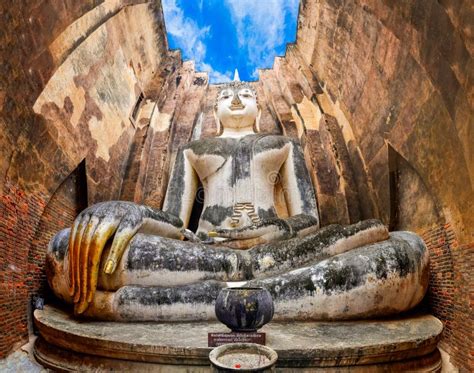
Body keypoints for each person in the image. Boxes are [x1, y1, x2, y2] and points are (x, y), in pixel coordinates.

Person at [46, 81, 429, 321]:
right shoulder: (194, 150)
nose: (234, 98)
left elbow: (309, 218)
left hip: (280, 255)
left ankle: (140, 306)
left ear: (258, 108)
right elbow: (175, 223)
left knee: (407, 254)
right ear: (214, 110)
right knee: (66, 252)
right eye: (226, 95)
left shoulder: (282, 145)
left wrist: (277, 229)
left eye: (244, 94)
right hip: (209, 254)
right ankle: (263, 299)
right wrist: (132, 212)